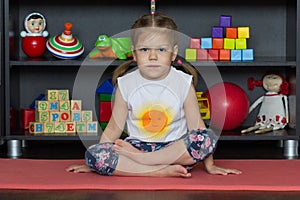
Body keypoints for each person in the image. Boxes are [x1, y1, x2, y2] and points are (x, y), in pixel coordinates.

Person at [66, 13, 241, 177]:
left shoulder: (183, 82)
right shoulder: (125, 83)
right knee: (94, 154)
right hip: (135, 147)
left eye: (161, 50)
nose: (152, 56)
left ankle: (146, 162)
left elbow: (197, 126)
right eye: (144, 50)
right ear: (134, 53)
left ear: (173, 53)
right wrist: (94, 161)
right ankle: (160, 171)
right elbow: (113, 129)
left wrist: (210, 164)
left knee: (206, 137)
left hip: (173, 150)